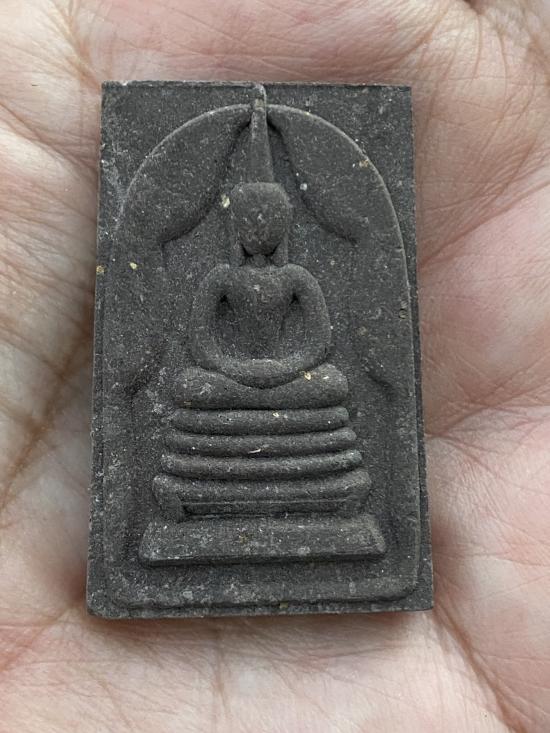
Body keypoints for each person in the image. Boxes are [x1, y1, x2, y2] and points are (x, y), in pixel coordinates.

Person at [0, 1, 549, 730]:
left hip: (291, 383)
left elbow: (319, 343)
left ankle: (321, 497)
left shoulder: (298, 278)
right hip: (230, 385)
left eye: (270, 221)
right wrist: (245, 375)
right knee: (189, 387)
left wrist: (278, 373)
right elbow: (201, 344)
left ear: (283, 223)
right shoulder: (219, 278)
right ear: (235, 221)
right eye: (249, 221)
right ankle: (202, 497)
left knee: (332, 385)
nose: (259, 231)